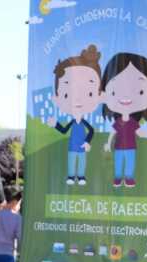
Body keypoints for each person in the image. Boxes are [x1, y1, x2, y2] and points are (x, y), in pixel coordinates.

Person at [101, 52, 147, 188]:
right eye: (115, 91)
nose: (126, 96)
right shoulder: (118, 123)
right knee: (119, 163)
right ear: (104, 95)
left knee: (129, 163)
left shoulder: (133, 123)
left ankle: (128, 178)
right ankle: (118, 178)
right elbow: (112, 133)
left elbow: (140, 133)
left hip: (130, 148)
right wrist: (108, 143)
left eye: (140, 91)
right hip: (118, 148)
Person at [48, 44, 103, 186]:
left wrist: (87, 142)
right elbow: (64, 130)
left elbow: (91, 131)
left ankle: (82, 177)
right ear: (57, 96)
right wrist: (56, 124)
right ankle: (72, 176)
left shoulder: (84, 123)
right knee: (72, 161)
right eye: (68, 94)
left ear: (99, 95)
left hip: (81, 147)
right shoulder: (73, 122)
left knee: (82, 162)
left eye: (88, 93)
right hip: (72, 147)